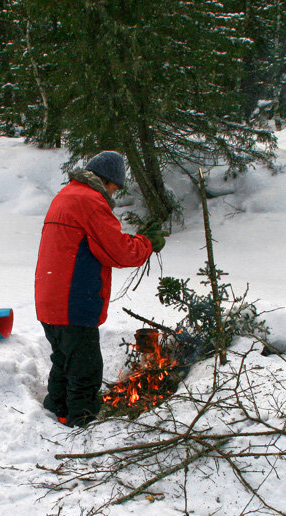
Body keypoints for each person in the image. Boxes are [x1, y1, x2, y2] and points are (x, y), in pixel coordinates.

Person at [34, 151, 166, 428]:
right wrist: (147, 243)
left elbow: (93, 241)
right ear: (107, 181)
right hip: (73, 300)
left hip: (51, 299)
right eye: (115, 188)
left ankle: (55, 414)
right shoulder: (90, 200)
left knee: (64, 362)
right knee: (85, 371)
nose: (114, 194)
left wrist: (135, 239)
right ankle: (80, 424)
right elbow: (118, 253)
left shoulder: (67, 195)